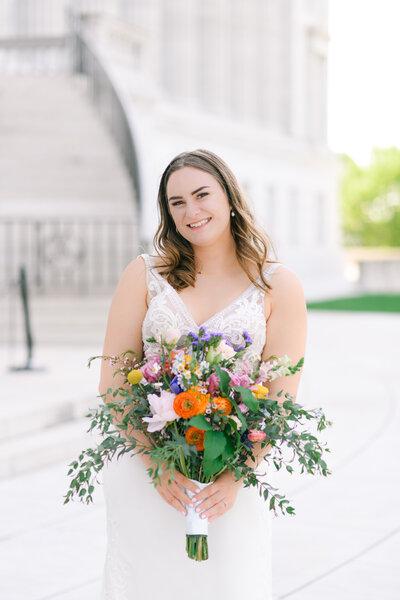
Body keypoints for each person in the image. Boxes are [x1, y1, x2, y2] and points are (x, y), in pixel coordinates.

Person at [99, 149, 307, 600]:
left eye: (201, 195)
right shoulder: (145, 276)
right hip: (147, 473)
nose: (191, 211)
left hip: (231, 482)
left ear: (229, 197)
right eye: (176, 203)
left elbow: (280, 398)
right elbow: (113, 384)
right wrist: (156, 465)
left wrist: (236, 479)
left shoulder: (278, 285)